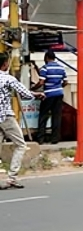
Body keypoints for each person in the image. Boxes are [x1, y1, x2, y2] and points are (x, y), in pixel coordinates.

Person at [0, 53, 45, 189]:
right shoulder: (8, 78)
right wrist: (37, 94)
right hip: (5, 116)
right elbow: (24, 93)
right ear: (5, 64)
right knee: (20, 144)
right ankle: (12, 178)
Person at [36, 51, 67, 144]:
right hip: (59, 94)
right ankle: (55, 139)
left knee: (43, 115)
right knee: (56, 116)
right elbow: (65, 82)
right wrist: (58, 87)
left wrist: (32, 88)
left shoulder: (45, 68)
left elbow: (41, 82)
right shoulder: (61, 67)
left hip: (48, 95)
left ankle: (41, 138)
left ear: (46, 58)